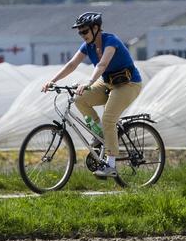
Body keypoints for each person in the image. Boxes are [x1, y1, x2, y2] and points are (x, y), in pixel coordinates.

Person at [41, 11, 143, 178]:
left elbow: (102, 65)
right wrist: (52, 80)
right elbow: (72, 63)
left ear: (96, 28)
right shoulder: (87, 46)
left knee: (109, 118)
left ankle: (110, 165)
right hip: (109, 82)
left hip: (129, 84)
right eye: (79, 32)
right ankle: (102, 134)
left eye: (85, 31)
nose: (82, 35)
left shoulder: (111, 41)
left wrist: (88, 83)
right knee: (80, 99)